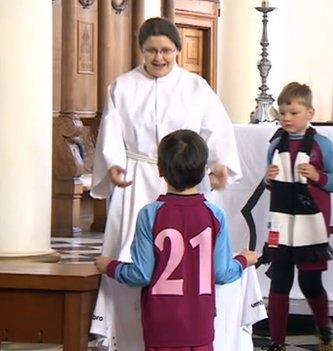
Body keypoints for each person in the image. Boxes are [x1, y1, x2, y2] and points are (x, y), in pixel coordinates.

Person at [89, 17, 242, 350]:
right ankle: (125, 335)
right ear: (140, 49)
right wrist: (114, 164)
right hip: (138, 179)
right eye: (151, 51)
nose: (159, 58)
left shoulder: (195, 86)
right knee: (132, 258)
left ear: (177, 50)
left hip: (186, 182)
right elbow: (111, 130)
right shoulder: (122, 86)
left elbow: (217, 128)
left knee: (189, 264)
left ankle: (188, 326)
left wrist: (220, 164)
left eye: (167, 51)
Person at [93, 129, 257, 351]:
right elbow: (222, 272)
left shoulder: (150, 214)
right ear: (203, 171)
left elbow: (141, 274)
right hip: (200, 324)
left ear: (160, 169)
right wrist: (244, 260)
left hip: (161, 324)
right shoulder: (214, 215)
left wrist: (109, 266)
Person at [262, 82, 333, 351]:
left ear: (309, 112)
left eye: (293, 112)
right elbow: (270, 181)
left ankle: (324, 328)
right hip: (282, 223)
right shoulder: (275, 144)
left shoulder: (322, 145)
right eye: (283, 112)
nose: (286, 118)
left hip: (311, 224)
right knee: (280, 281)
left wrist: (318, 176)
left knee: (310, 283)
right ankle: (277, 341)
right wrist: (267, 179)